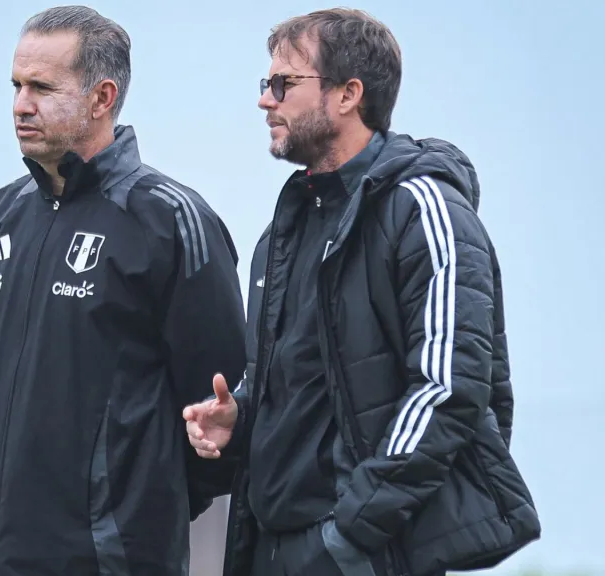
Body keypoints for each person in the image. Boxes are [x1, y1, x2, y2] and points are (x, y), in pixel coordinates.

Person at [183, 8, 541, 576]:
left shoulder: (424, 210)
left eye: (284, 84)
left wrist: (348, 536)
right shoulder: (282, 231)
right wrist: (240, 418)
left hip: (358, 552)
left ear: (349, 94)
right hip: (267, 548)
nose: (265, 100)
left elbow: (448, 390)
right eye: (265, 84)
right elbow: (300, 384)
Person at [0, 6, 246, 576]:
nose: (20, 105)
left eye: (42, 87)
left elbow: (219, 418)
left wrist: (125, 518)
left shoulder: (170, 221)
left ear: (101, 96)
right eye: (16, 86)